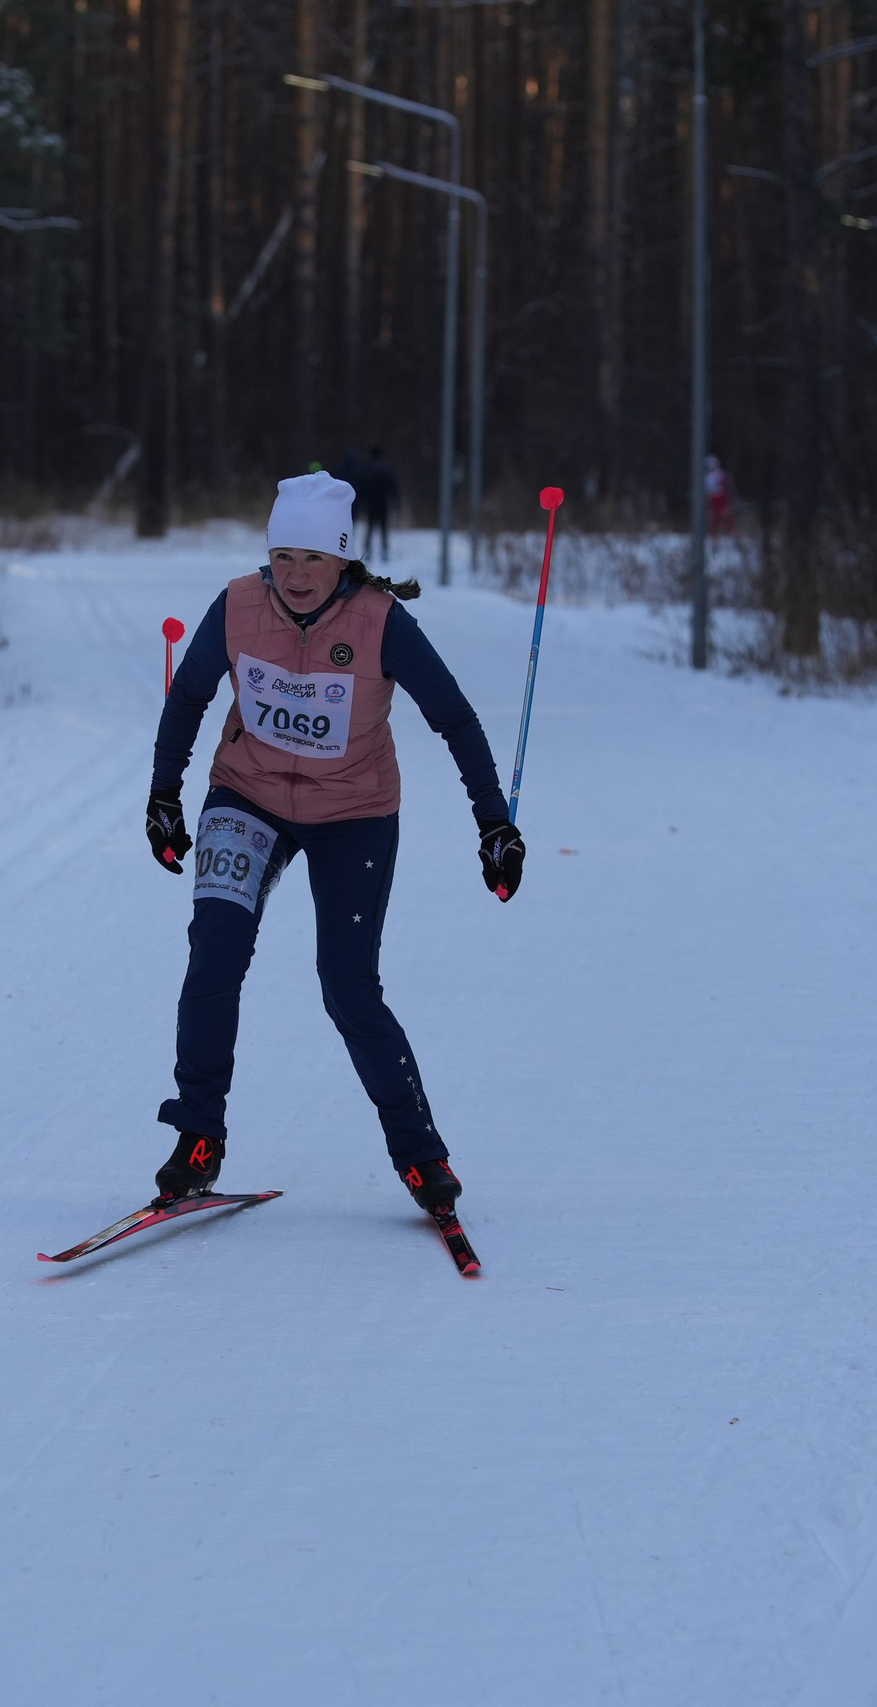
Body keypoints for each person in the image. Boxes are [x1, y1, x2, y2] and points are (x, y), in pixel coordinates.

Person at [143, 471, 526, 1217]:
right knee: (214, 952)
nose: (295, 576)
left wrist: (494, 820)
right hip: (247, 795)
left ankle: (422, 1156)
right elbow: (189, 695)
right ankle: (198, 1137)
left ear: (344, 560)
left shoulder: (380, 620)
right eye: (283, 556)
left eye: (313, 559)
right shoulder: (238, 605)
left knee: (348, 985)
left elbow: (454, 715)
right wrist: (163, 794)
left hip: (354, 811)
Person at [704, 452, 735, 537]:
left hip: (722, 498)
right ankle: (714, 537)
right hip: (713, 499)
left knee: (726, 516)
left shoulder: (720, 474)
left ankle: (733, 533)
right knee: (714, 519)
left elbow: (727, 485)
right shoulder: (706, 476)